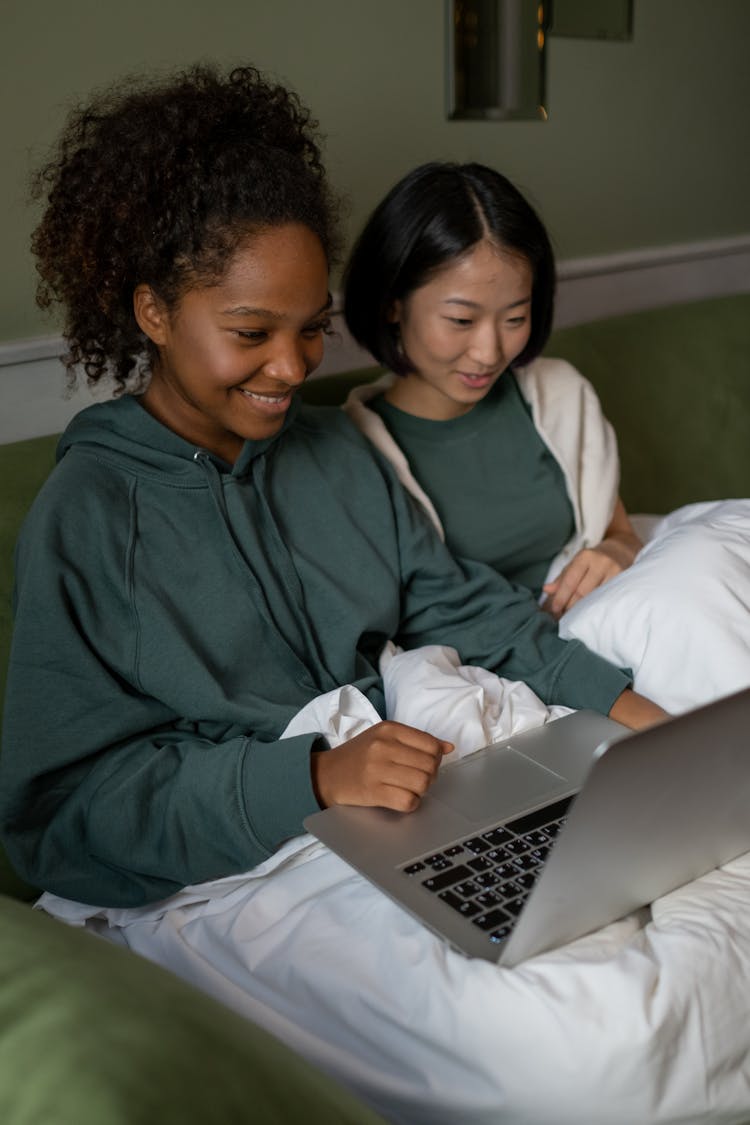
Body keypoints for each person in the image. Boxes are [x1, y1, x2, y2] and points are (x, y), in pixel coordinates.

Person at [0, 66, 664, 912]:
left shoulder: (336, 452)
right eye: (252, 332)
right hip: (228, 866)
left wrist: (644, 718)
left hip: (406, 814)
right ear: (154, 313)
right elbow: (57, 816)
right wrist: (309, 776)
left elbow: (462, 607)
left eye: (312, 329)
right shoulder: (88, 518)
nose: (292, 367)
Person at [342, 161, 643, 619]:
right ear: (392, 306)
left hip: (600, 625)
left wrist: (616, 554)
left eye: (515, 319)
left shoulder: (558, 397)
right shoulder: (352, 451)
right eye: (461, 320)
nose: (488, 352)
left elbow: (619, 533)